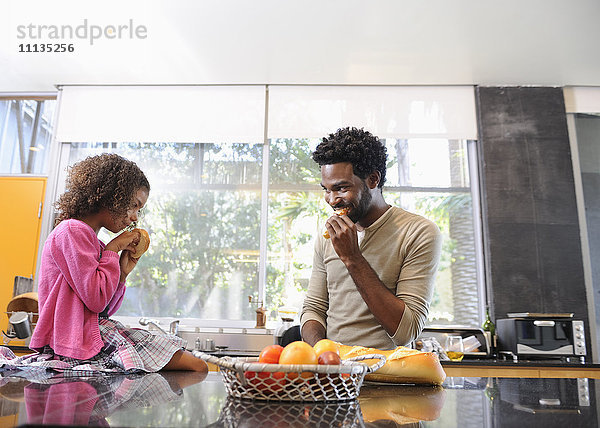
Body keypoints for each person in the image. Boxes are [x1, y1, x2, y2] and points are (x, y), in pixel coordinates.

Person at [20, 153, 207, 374]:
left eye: (139, 210)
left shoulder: (93, 242)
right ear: (112, 196)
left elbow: (104, 309)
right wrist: (112, 249)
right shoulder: (72, 230)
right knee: (196, 366)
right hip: (79, 337)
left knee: (196, 366)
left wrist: (122, 274)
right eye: (134, 205)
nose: (135, 217)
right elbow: (97, 300)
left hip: (90, 331)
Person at [300, 127, 442, 350]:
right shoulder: (326, 236)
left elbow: (406, 331)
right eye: (326, 190)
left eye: (341, 188)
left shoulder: (419, 232)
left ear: (373, 179)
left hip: (390, 376)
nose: (332, 200)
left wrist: (352, 257)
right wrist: (322, 352)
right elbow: (314, 308)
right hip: (335, 374)